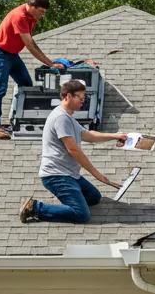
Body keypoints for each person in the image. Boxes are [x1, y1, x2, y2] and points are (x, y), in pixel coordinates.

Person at [19, 77, 127, 224]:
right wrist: (98, 175)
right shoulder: (61, 118)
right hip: (56, 176)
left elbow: (88, 135)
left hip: (70, 174)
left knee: (94, 198)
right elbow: (73, 150)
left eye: (84, 98)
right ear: (68, 96)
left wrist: (115, 136)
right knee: (82, 215)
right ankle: (35, 208)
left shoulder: (68, 117)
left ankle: (71, 200)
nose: (83, 101)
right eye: (80, 98)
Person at [0, 0, 89, 141]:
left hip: (13, 54)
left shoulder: (30, 16)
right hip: (0, 53)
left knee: (26, 84)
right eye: (41, 11)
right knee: (0, 88)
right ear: (32, 6)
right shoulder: (19, 16)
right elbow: (30, 44)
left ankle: (19, 117)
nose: (42, 15)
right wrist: (50, 64)